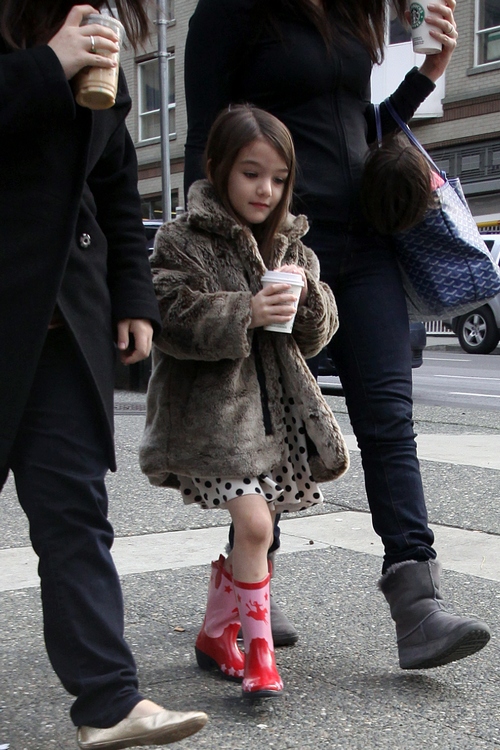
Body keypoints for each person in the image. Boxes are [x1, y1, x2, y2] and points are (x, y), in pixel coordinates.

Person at [183, 0, 492, 670]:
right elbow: (204, 140)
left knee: (389, 420)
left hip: (366, 246)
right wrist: (214, 264)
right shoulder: (229, 12)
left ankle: (418, 603)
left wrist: (429, 72)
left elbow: (363, 126)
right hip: (282, 249)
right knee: (274, 428)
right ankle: (247, 581)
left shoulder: (356, 8)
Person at [0, 2, 208, 748]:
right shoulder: (48, 47)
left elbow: (115, 189)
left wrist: (132, 299)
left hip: (62, 326)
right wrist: (44, 67)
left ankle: (108, 700)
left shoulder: (99, 45)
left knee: (75, 517)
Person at [139, 104, 349, 698]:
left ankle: (213, 633)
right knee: (255, 526)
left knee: (262, 526)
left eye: (279, 178)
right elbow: (168, 315)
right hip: (215, 419)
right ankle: (259, 657)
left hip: (276, 417)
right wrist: (243, 311)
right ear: (219, 168)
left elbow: (317, 335)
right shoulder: (183, 239)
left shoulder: (291, 244)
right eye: (252, 173)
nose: (266, 189)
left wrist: (305, 299)